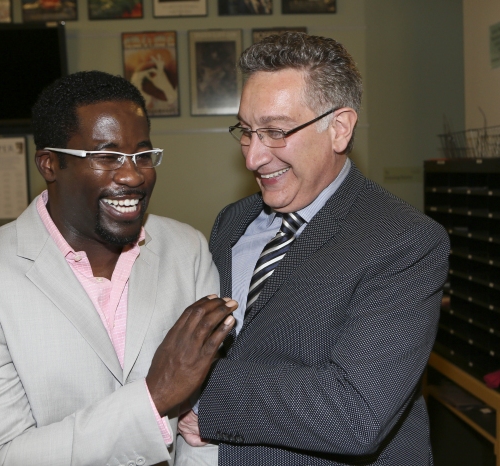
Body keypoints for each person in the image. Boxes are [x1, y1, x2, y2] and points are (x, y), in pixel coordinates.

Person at [0, 70, 236, 466]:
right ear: (49, 164)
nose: (132, 175)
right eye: (106, 157)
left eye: (142, 155)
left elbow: (203, 430)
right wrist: (152, 398)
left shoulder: (187, 249)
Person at [177, 32, 449, 465]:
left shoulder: (405, 241)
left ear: (339, 128)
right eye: (246, 132)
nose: (252, 158)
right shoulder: (233, 221)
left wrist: (194, 391)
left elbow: (356, 412)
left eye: (275, 131)